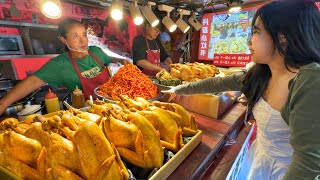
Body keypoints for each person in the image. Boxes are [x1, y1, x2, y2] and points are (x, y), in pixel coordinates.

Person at [163, 0, 320, 179]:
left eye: (255, 32)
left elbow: (308, 162)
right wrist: (180, 89)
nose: (249, 41)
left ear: (282, 36)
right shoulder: (263, 73)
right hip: (259, 158)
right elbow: (219, 84)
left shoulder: (310, 79)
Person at [0, 18, 130, 115]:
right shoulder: (60, 64)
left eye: (84, 34)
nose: (82, 40)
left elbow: (110, 60)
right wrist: (3, 103)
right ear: (63, 40)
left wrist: (121, 59)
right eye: (75, 36)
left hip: (116, 107)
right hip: (89, 115)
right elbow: (32, 81)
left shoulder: (96, 51)